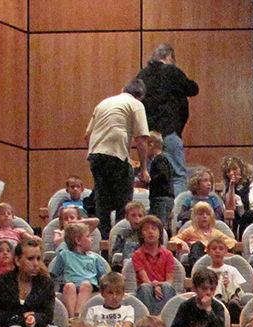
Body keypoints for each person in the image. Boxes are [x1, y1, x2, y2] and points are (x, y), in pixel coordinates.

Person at [85, 80, 148, 234]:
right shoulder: (136, 104)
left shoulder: (104, 103)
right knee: (124, 200)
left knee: (102, 200)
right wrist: (144, 169)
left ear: (122, 89)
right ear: (140, 96)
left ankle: (104, 240)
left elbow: (87, 135)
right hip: (116, 154)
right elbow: (141, 139)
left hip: (96, 154)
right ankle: (121, 235)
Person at [134, 44, 199, 187]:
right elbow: (193, 89)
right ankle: (176, 208)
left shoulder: (142, 75)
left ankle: (153, 208)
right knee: (177, 175)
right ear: (169, 57)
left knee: (150, 175)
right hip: (170, 130)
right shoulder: (171, 71)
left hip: (149, 134)